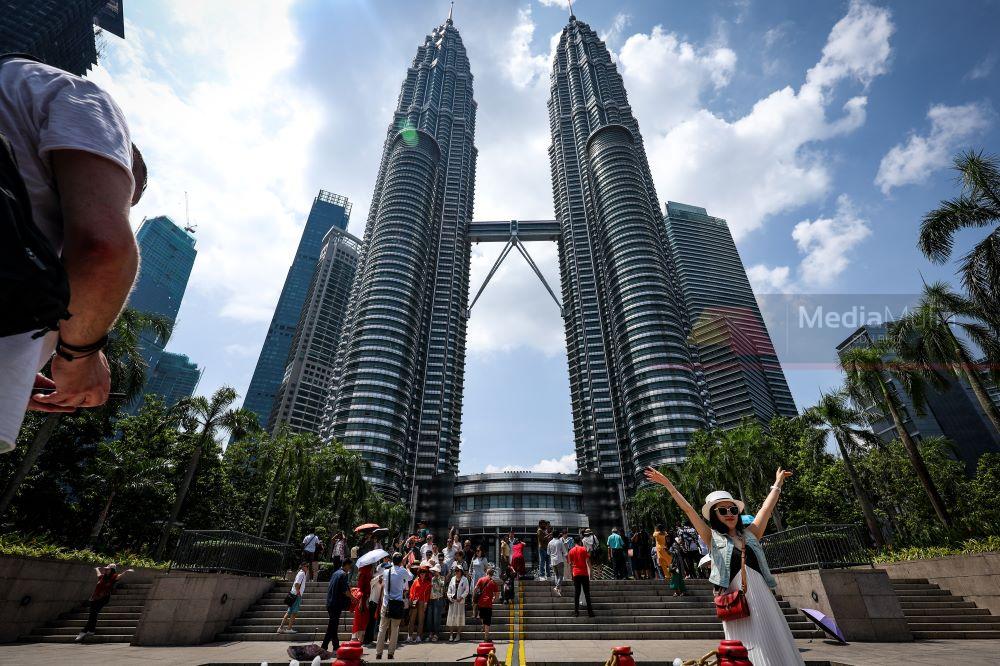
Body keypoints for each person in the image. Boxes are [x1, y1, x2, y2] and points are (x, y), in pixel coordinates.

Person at [0, 55, 144, 453]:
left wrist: (14, 370)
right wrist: (80, 356)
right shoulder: (82, 98)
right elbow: (102, 248)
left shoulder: (14, 95)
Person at [645, 466, 802, 666]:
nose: (729, 514)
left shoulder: (751, 534)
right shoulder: (712, 538)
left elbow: (766, 509)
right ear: (714, 514)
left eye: (733, 509)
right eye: (723, 510)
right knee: (745, 647)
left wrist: (778, 484)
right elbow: (689, 510)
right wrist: (668, 485)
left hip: (762, 597)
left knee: (774, 640)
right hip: (735, 602)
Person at [76, 563, 133, 641]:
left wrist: (126, 572)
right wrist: (97, 569)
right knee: (93, 615)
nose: (106, 570)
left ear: (112, 570)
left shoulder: (113, 577)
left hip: (104, 598)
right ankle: (91, 630)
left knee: (93, 614)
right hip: (94, 598)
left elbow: (119, 576)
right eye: (106, 569)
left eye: (108, 569)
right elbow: (98, 574)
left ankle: (83, 632)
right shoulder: (102, 577)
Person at [376, 553, 413, 660]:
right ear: (401, 561)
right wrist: (408, 568)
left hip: (386, 604)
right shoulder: (402, 571)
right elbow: (410, 578)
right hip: (397, 604)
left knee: (382, 629)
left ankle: (379, 653)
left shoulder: (386, 571)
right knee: (395, 629)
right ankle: (390, 653)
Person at [321, 558, 353, 653]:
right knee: (332, 626)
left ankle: (335, 645)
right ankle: (324, 647)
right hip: (336, 604)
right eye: (350, 566)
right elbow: (345, 591)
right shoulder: (343, 575)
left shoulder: (335, 573)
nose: (350, 568)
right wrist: (353, 598)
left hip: (330, 603)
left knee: (334, 625)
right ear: (346, 565)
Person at [277, 562, 309, 635]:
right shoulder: (302, 574)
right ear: (303, 567)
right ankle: (289, 628)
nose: (308, 568)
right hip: (296, 595)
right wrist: (298, 593)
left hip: (293, 594)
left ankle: (281, 628)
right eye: (307, 566)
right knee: (293, 613)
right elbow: (297, 584)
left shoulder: (300, 573)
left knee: (289, 612)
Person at [566, 536, 594, 617]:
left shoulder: (571, 551)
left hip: (576, 573)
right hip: (584, 573)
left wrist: (571, 574)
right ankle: (590, 612)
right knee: (587, 593)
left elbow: (570, 564)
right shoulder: (584, 549)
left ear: (574, 542)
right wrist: (591, 572)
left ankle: (576, 612)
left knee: (577, 593)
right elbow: (588, 561)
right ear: (580, 542)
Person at [474, 566, 500, 642]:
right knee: (487, 620)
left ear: (486, 573)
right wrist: (493, 599)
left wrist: (477, 595)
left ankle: (483, 625)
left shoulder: (481, 579)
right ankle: (486, 637)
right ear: (492, 574)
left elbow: (475, 588)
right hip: (488, 603)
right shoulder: (493, 582)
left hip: (481, 602)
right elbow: (497, 595)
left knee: (482, 616)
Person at [446, 563, 470, 642]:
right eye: (455, 570)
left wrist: (462, 597)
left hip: (460, 601)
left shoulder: (465, 579)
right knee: (451, 618)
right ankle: (451, 634)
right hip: (453, 601)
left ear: (461, 571)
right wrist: (450, 597)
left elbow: (467, 590)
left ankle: (458, 634)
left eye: (458, 570)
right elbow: (449, 589)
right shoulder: (452, 578)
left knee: (459, 618)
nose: (456, 572)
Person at [407, 565, 431, 642]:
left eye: (424, 572)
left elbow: (428, 594)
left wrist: (426, 603)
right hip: (415, 601)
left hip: (422, 602)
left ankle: (418, 637)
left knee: (421, 620)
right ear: (419, 573)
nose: (422, 573)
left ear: (426, 573)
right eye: (421, 572)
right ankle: (409, 636)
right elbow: (411, 591)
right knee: (412, 619)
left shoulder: (428, 583)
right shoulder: (415, 581)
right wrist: (411, 599)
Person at [365, 558, 386, 646]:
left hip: (377, 603)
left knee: (373, 622)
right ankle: (366, 640)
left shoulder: (383, 579)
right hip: (372, 602)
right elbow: (371, 582)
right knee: (370, 622)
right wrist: (379, 577)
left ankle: (370, 640)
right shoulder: (375, 577)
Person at [352, 562, 375, 641]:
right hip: (363, 599)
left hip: (365, 599)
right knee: (361, 618)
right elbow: (360, 589)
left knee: (363, 618)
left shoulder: (366, 574)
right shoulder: (364, 575)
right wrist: (361, 602)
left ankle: (360, 637)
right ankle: (357, 637)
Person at [426, 564, 446, 642]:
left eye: (435, 571)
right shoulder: (432, 578)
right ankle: (431, 633)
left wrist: (438, 576)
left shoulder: (442, 578)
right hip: (431, 599)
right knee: (430, 617)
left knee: (437, 617)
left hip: (438, 599)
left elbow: (442, 585)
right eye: (434, 571)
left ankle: (436, 634)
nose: (434, 572)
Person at [547, 526, 568, 595]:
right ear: (558, 535)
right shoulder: (560, 542)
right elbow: (565, 552)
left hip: (553, 561)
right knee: (561, 575)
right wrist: (568, 559)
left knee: (556, 575)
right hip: (559, 560)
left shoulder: (550, 543)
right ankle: (557, 587)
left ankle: (558, 589)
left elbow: (548, 552)